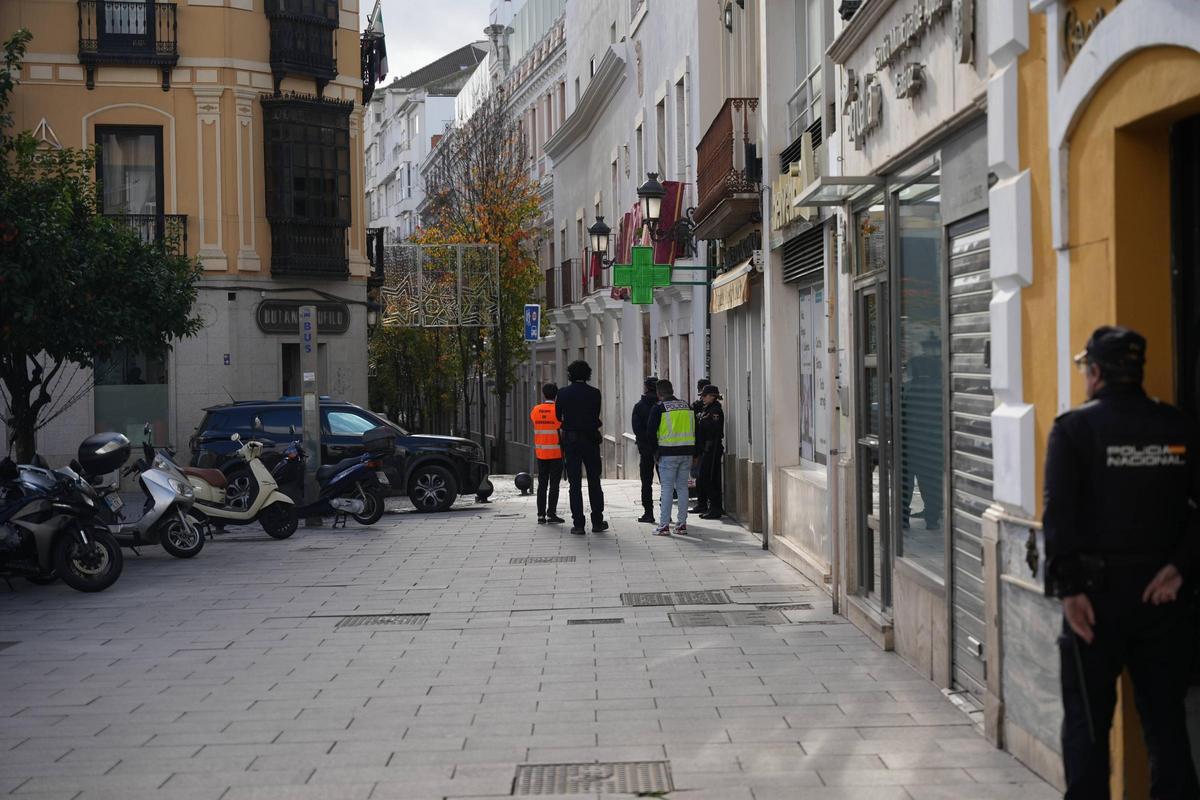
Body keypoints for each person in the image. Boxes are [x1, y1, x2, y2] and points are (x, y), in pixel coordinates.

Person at [1044, 325, 1200, 799]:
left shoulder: (1074, 430)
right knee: (1167, 725)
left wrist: (1070, 592)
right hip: (1163, 601)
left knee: (1089, 730)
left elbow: (1059, 518)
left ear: (1094, 373)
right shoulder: (1178, 428)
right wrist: (1181, 567)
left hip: (1095, 603)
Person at [555, 360, 607, 535]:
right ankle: (597, 521)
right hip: (590, 440)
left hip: (571, 441)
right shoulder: (595, 393)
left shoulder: (563, 393)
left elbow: (557, 415)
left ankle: (578, 524)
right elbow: (595, 413)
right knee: (594, 481)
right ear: (588, 375)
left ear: (570, 375)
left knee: (574, 483)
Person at [646, 379, 695, 536]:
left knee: (667, 488)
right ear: (672, 390)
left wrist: (655, 452)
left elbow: (650, 433)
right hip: (687, 452)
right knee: (682, 488)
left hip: (667, 454)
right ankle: (681, 524)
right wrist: (696, 452)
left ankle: (664, 525)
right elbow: (697, 430)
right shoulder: (687, 406)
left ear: (659, 393)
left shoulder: (659, 408)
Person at [530, 382, 565, 525]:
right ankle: (551, 514)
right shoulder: (558, 410)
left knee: (542, 485)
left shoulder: (535, 410)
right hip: (556, 453)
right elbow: (561, 426)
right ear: (556, 395)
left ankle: (540, 515)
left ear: (543, 394)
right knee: (554, 485)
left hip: (541, 453)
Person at [631, 376, 660, 524]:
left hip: (646, 449)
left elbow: (636, 429)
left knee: (646, 482)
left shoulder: (639, 406)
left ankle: (648, 513)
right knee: (666, 483)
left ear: (646, 387)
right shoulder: (663, 405)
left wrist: (645, 444)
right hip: (662, 449)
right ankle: (666, 513)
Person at [695, 384, 725, 520]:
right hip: (706, 449)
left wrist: (703, 420)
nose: (702, 398)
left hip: (712, 449)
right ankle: (709, 506)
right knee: (704, 478)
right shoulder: (707, 409)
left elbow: (714, 430)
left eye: (704, 396)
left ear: (712, 396)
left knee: (712, 478)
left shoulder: (715, 411)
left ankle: (715, 509)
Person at [691, 378, 711, 514]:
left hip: (704, 445)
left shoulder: (710, 407)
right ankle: (702, 502)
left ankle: (703, 502)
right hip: (700, 444)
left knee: (702, 476)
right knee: (700, 475)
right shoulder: (697, 406)